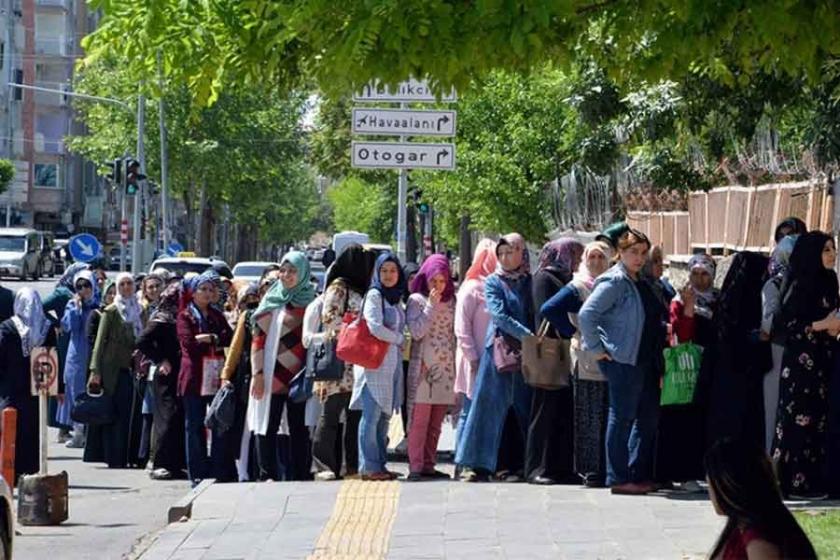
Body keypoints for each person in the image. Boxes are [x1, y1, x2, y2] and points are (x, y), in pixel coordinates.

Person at [578, 229, 665, 495]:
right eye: (632, 252)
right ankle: (618, 477)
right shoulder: (614, 281)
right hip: (623, 359)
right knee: (623, 416)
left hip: (647, 359)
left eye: (642, 252)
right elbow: (587, 315)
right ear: (620, 253)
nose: (639, 258)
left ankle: (637, 473)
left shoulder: (641, 280)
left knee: (647, 418)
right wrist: (597, 348)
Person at [456, 233, 535, 483]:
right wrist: (528, 336)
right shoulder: (493, 282)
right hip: (499, 354)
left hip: (527, 355)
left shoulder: (529, 281)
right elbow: (499, 316)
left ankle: (519, 464)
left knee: (522, 409)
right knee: (487, 409)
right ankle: (476, 464)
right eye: (501, 253)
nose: (505, 257)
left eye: (510, 251)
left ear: (522, 252)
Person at [771, 231, 839, 500]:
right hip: (800, 363)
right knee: (797, 420)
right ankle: (791, 482)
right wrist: (824, 326)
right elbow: (786, 326)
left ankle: (813, 481)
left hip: (824, 359)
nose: (832, 254)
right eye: (826, 250)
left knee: (819, 421)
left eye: (833, 249)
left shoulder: (830, 281)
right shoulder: (800, 284)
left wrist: (832, 329)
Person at [541, 240, 613, 488]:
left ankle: (607, 467)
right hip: (586, 359)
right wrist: (573, 330)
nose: (595, 263)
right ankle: (591, 470)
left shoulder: (611, 284)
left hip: (610, 358)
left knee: (607, 414)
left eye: (601, 258)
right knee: (588, 415)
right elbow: (549, 308)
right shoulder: (579, 287)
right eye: (591, 257)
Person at [248, 251, 314, 482]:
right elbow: (258, 340)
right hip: (271, 374)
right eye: (283, 271)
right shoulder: (271, 300)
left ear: (303, 273)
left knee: (299, 427)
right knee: (268, 424)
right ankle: (268, 474)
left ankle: (300, 474)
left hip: (300, 376)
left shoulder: (312, 302)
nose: (286, 276)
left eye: (293, 271)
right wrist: (257, 373)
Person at [525, 238, 583, 485]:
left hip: (564, 354)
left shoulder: (568, 278)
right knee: (543, 412)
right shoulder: (544, 279)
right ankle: (537, 467)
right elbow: (544, 312)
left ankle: (561, 467)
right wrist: (569, 331)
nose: (578, 260)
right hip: (549, 352)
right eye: (575, 254)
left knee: (563, 412)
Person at [659, 253, 718, 490]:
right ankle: (684, 474)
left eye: (705, 274)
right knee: (685, 418)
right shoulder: (679, 300)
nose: (700, 279)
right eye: (695, 273)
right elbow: (681, 336)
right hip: (687, 366)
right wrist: (690, 308)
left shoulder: (718, 299)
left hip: (710, 366)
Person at [311, 244, 370, 481]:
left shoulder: (363, 288)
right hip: (337, 360)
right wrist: (356, 326)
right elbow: (329, 319)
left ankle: (352, 465)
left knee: (355, 415)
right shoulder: (339, 288)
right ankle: (323, 465)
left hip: (356, 363)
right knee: (330, 415)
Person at [706, 438, 816, 559]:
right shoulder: (740, 527)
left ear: (728, 487)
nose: (710, 494)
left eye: (710, 484)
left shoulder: (759, 540)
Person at [349, 252, 407, 481]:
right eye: (384, 271)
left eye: (393, 271)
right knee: (371, 416)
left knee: (383, 418)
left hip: (390, 365)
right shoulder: (374, 295)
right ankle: (369, 466)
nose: (388, 275)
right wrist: (399, 339)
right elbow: (374, 327)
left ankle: (380, 464)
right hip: (373, 365)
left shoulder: (395, 298)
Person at [177, 271, 234, 485]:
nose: (208, 293)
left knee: (218, 423)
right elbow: (189, 345)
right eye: (203, 289)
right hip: (194, 378)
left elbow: (227, 337)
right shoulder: (185, 316)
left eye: (211, 289)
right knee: (194, 427)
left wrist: (209, 338)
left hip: (215, 376)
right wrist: (211, 339)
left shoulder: (216, 315)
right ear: (193, 293)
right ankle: (197, 472)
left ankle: (218, 470)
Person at [405, 254, 457, 481]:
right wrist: (430, 307)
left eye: (442, 281)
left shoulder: (452, 301)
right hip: (424, 368)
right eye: (433, 281)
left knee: (437, 421)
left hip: (445, 367)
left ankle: (429, 463)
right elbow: (417, 331)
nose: (437, 286)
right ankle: (415, 466)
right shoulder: (416, 300)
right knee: (420, 420)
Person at [84, 273, 144, 469]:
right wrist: (95, 370)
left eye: (130, 283)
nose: (126, 287)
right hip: (112, 369)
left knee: (132, 415)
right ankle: (115, 457)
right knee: (114, 415)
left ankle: (133, 456)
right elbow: (99, 343)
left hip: (134, 368)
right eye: (123, 284)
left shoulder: (141, 310)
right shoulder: (111, 311)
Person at [0, 288, 55, 480]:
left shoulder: (7, 327)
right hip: (34, 389)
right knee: (27, 428)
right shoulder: (45, 327)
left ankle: (14, 473)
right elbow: (51, 360)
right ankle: (27, 471)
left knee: (16, 428)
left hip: (13, 388)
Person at [135, 283, 186, 480]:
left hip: (179, 372)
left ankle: (174, 463)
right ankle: (159, 463)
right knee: (166, 417)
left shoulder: (180, 317)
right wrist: (160, 359)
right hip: (165, 374)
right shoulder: (161, 318)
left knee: (178, 416)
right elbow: (142, 341)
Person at [453, 240, 497, 456]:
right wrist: (473, 358)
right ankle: (462, 459)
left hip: (490, 360)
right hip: (474, 360)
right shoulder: (471, 288)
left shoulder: (494, 285)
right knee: (468, 410)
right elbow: (461, 328)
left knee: (484, 412)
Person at [760, 235, 798, 453]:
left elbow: (769, 322)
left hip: (782, 350)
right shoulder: (779, 285)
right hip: (784, 351)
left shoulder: (777, 284)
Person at [220, 282, 260, 482]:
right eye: (246, 300)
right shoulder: (248, 317)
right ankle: (243, 471)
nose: (251, 303)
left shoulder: (269, 313)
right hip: (247, 377)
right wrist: (226, 376)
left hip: (271, 377)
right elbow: (235, 350)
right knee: (244, 427)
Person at [43, 261, 87, 441]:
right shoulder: (63, 293)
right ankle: (61, 426)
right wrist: (56, 324)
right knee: (64, 382)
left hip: (81, 339)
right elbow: (41, 306)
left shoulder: (85, 293)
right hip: (66, 340)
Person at [56, 269, 100, 449]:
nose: (84, 289)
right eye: (79, 286)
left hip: (94, 352)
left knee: (93, 391)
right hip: (77, 355)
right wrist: (76, 307)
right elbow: (70, 327)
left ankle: (91, 433)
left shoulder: (98, 304)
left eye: (87, 285)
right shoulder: (71, 305)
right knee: (75, 392)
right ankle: (78, 431)